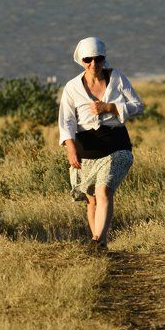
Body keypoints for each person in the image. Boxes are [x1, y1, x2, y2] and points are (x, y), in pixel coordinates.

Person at [58, 37, 144, 251]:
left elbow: (137, 106)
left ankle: (97, 240)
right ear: (81, 60)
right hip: (86, 147)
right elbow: (66, 121)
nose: (94, 64)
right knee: (92, 200)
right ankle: (100, 243)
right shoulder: (72, 88)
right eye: (89, 60)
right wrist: (70, 149)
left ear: (104, 59)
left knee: (104, 190)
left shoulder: (117, 78)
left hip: (116, 143)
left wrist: (110, 108)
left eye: (99, 59)